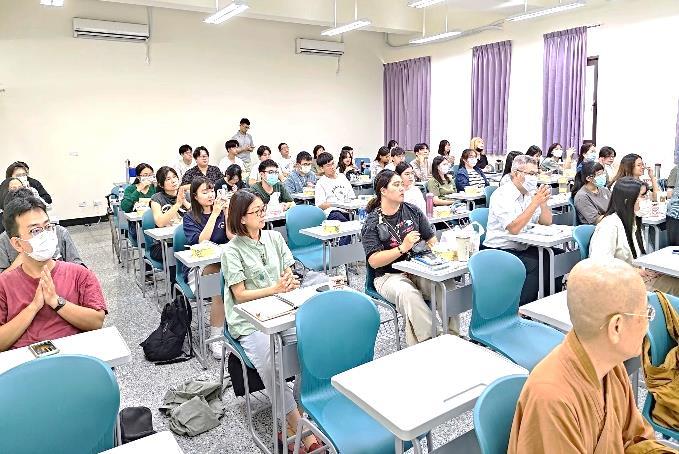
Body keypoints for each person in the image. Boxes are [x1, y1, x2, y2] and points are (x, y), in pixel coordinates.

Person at [508, 258, 674, 453]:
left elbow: (635, 439)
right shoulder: (552, 399)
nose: (647, 324)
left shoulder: (611, 364)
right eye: (645, 313)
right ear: (616, 327)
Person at [221, 190, 322, 453]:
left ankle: (295, 417)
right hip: (250, 320)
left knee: (310, 349)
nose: (262, 215)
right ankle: (299, 425)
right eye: (256, 212)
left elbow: (289, 271)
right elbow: (239, 294)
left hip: (282, 310)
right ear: (241, 218)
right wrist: (275, 288)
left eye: (262, 210)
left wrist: (289, 281)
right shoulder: (231, 251)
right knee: (270, 362)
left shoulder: (274, 237)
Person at [361, 170, 457, 346]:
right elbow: (373, 261)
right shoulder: (372, 221)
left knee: (446, 286)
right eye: (396, 185)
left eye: (402, 184)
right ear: (383, 190)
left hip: (418, 268)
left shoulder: (412, 211)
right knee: (408, 294)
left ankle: (454, 336)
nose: (402, 188)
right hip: (388, 275)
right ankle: (434, 342)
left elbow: (431, 240)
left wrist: (443, 254)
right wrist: (402, 248)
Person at [0, 194, 105, 351]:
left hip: (75, 356)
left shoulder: (80, 274)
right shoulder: (4, 284)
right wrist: (33, 307)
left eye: (48, 227)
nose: (45, 235)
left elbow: (96, 322)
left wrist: (56, 302)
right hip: (24, 362)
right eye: (35, 231)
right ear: (17, 244)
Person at [484, 155, 560, 305]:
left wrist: (543, 203)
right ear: (516, 173)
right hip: (500, 248)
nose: (534, 178)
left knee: (556, 257)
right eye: (530, 174)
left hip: (523, 246)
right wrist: (535, 203)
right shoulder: (502, 195)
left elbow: (546, 222)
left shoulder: (529, 194)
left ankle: (547, 303)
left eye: (536, 174)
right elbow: (514, 228)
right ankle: (522, 309)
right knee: (536, 264)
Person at [590, 177, 679, 296]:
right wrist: (635, 271)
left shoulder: (633, 222)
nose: (646, 199)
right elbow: (601, 265)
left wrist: (646, 270)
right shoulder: (609, 225)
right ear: (627, 200)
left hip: (635, 277)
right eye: (642, 196)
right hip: (620, 284)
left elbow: (638, 258)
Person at [183, 177, 232, 359]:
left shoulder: (222, 212)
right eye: (205, 192)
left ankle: (239, 328)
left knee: (232, 276)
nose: (210, 195)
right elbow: (201, 242)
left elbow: (232, 237)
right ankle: (215, 338)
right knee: (220, 284)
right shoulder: (189, 217)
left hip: (224, 262)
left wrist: (227, 212)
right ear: (195, 196)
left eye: (212, 190)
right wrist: (214, 214)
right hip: (199, 267)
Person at [0, 188, 83, 274]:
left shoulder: (59, 232)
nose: (43, 234)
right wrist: (23, 257)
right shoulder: (3, 241)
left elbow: (79, 269)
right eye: (34, 230)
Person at [150, 167, 191, 284]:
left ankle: (197, 287)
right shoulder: (156, 199)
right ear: (161, 184)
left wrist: (184, 202)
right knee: (174, 253)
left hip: (187, 241)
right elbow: (160, 222)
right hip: (162, 245)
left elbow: (198, 217)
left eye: (174, 177)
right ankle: (176, 291)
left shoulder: (186, 195)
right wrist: (177, 204)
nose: (173, 181)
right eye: (168, 179)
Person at [315, 152, 356, 244]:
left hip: (348, 210)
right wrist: (335, 204)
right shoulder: (321, 183)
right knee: (344, 225)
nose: (332, 167)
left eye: (333, 163)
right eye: (328, 165)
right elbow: (320, 205)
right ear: (321, 168)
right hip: (333, 213)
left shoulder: (342, 177)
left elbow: (352, 197)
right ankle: (344, 249)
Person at [572, 161, 611, 225]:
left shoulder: (604, 190)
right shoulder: (582, 197)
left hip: (610, 222)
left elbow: (615, 206)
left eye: (603, 173)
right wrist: (613, 216)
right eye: (599, 174)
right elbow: (596, 220)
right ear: (589, 178)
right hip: (597, 226)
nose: (603, 176)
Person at [667, 164, 679, 246]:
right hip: (676, 213)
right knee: (675, 248)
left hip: (674, 213)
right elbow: (669, 192)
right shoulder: (676, 169)